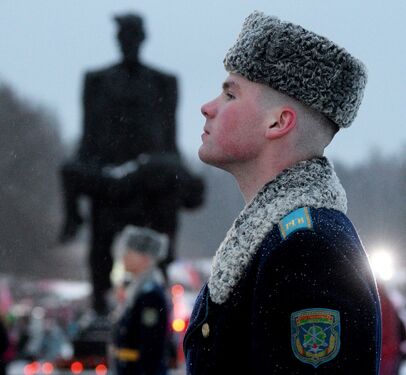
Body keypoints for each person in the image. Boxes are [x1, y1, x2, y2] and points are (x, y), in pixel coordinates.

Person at [183, 11, 381, 373]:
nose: (207, 107)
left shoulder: (307, 248)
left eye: (230, 94)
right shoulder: (285, 239)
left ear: (278, 122)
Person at [59, 13, 203, 316]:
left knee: (158, 234)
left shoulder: (163, 82)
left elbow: (169, 139)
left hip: (148, 179)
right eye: (124, 37)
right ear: (118, 40)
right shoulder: (96, 81)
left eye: (133, 37)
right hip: (109, 178)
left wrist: (180, 174)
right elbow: (88, 136)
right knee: (100, 245)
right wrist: (84, 173)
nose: (128, 43)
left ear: (141, 39)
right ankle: (100, 301)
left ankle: (155, 297)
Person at [111, 225, 170, 375]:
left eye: (130, 252)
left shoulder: (150, 295)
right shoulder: (137, 290)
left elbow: (150, 345)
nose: (124, 257)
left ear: (145, 258)